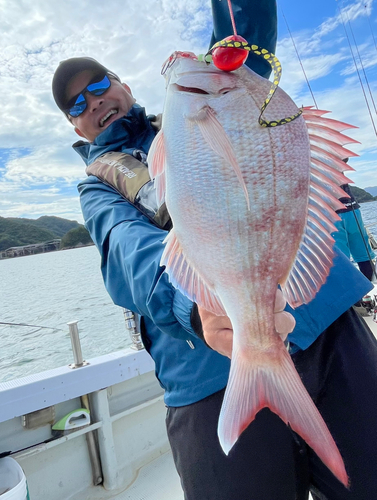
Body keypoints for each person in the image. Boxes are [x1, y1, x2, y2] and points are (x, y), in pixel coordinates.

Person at [52, 1, 377, 498]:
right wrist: (193, 306)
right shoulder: (98, 190)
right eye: (77, 105)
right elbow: (130, 253)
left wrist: (234, 39)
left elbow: (240, 38)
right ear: (76, 128)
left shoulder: (221, 99)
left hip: (325, 323)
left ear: (125, 86)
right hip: (206, 373)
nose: (93, 101)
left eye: (99, 85)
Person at [332, 159, 376, 282]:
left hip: (332, 215)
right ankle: (370, 287)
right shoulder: (333, 159)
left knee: (342, 258)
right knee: (363, 253)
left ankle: (356, 296)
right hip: (352, 211)